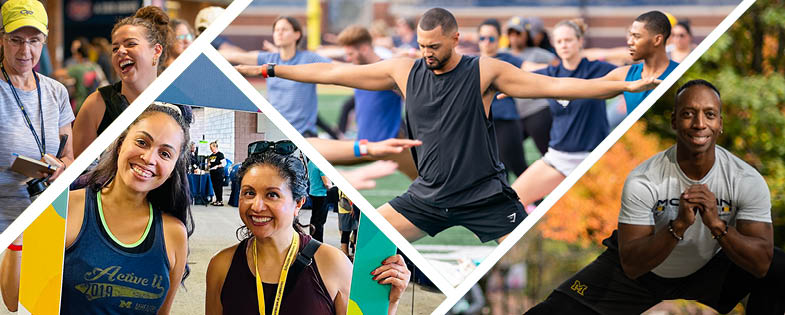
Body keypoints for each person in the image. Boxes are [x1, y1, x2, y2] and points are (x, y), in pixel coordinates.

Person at [236, 8, 658, 243]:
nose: (427, 53)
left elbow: (557, 83)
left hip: (485, 195)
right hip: (427, 197)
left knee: (528, 252)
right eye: (421, 46)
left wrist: (622, 85)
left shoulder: (485, 72)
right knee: (371, 242)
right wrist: (269, 68)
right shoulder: (404, 70)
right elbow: (328, 72)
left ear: (456, 39)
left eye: (434, 46)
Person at [526, 80, 784, 315]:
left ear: (720, 123)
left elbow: (761, 263)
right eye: (688, 114)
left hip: (709, 266)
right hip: (642, 268)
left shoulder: (745, 179)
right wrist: (678, 225)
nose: (699, 124)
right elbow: (633, 266)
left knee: (780, 269)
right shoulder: (645, 179)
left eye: (709, 114)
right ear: (674, 121)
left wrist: (718, 226)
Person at [0, 105, 192, 313]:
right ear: (120, 144)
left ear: (173, 168)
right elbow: (15, 299)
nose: (149, 158)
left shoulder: (174, 233)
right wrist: (20, 233)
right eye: (141, 142)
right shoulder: (66, 209)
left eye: (164, 154)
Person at [205, 143, 410, 315]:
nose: (257, 206)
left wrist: (388, 304)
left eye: (272, 195)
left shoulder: (333, 264)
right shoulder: (221, 266)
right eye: (249, 193)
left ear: (298, 203)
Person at [511, 19, 617, 207]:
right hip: (558, 158)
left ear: (580, 41)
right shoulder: (549, 73)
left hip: (593, 158)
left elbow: (631, 76)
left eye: (568, 40)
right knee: (509, 203)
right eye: (559, 41)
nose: (564, 45)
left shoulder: (598, 70)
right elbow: (516, 78)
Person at [0, 0, 74, 231]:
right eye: (16, 40)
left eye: (34, 41)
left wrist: (60, 166)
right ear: (2, 39)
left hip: (48, 219)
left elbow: (70, 157)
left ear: (44, 41)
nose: (25, 50)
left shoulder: (56, 92)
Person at [72, 6, 173, 157]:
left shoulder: (176, 104)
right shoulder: (95, 105)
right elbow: (76, 172)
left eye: (131, 44)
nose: (120, 51)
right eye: (115, 48)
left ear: (156, 51)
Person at [224, 16, 331, 136]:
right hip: (275, 131)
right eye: (276, 30)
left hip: (304, 133)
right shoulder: (269, 58)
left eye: (284, 29)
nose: (279, 33)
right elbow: (235, 56)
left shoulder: (309, 58)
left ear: (297, 34)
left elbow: (336, 68)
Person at [505, 16, 557, 174]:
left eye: (518, 33)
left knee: (549, 155)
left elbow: (559, 68)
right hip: (514, 115)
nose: (514, 38)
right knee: (505, 154)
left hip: (537, 110)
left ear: (526, 35)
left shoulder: (537, 53)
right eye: (511, 33)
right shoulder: (503, 54)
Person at [601, 11, 679, 113]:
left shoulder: (678, 73)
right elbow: (583, 87)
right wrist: (627, 87)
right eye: (630, 35)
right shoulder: (623, 74)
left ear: (657, 40)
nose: (629, 42)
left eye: (636, 36)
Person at [477, 19, 526, 178]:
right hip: (482, 124)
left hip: (506, 122)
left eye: (491, 38)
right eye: (482, 38)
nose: (486, 42)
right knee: (490, 171)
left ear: (499, 40)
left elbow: (531, 68)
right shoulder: (471, 62)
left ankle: (536, 202)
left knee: (516, 165)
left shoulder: (508, 59)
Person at [307, 159, 331, 242]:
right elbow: (327, 183)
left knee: (314, 219)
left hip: (313, 192)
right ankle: (318, 243)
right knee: (320, 222)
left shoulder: (310, 162)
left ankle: (312, 240)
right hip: (322, 195)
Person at [207, 141, 226, 206]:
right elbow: (209, 163)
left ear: (215, 147)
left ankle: (220, 200)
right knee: (214, 187)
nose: (211, 149)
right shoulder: (211, 155)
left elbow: (224, 164)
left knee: (219, 187)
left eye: (212, 148)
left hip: (219, 173)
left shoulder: (220, 154)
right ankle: (217, 199)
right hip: (213, 173)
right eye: (210, 148)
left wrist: (217, 166)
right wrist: (208, 164)